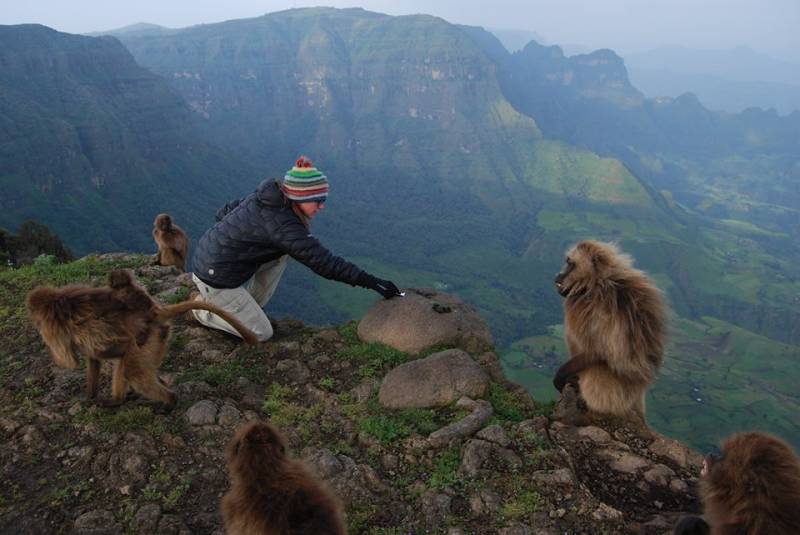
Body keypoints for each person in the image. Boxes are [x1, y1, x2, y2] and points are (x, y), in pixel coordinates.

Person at [190, 156, 401, 342]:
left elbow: (223, 212)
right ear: (301, 198)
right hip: (216, 279)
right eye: (318, 201)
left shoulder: (268, 198)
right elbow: (324, 262)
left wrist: (232, 240)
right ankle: (202, 310)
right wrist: (370, 281)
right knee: (261, 334)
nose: (322, 206)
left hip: (211, 261)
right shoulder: (283, 225)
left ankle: (248, 307)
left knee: (280, 255)